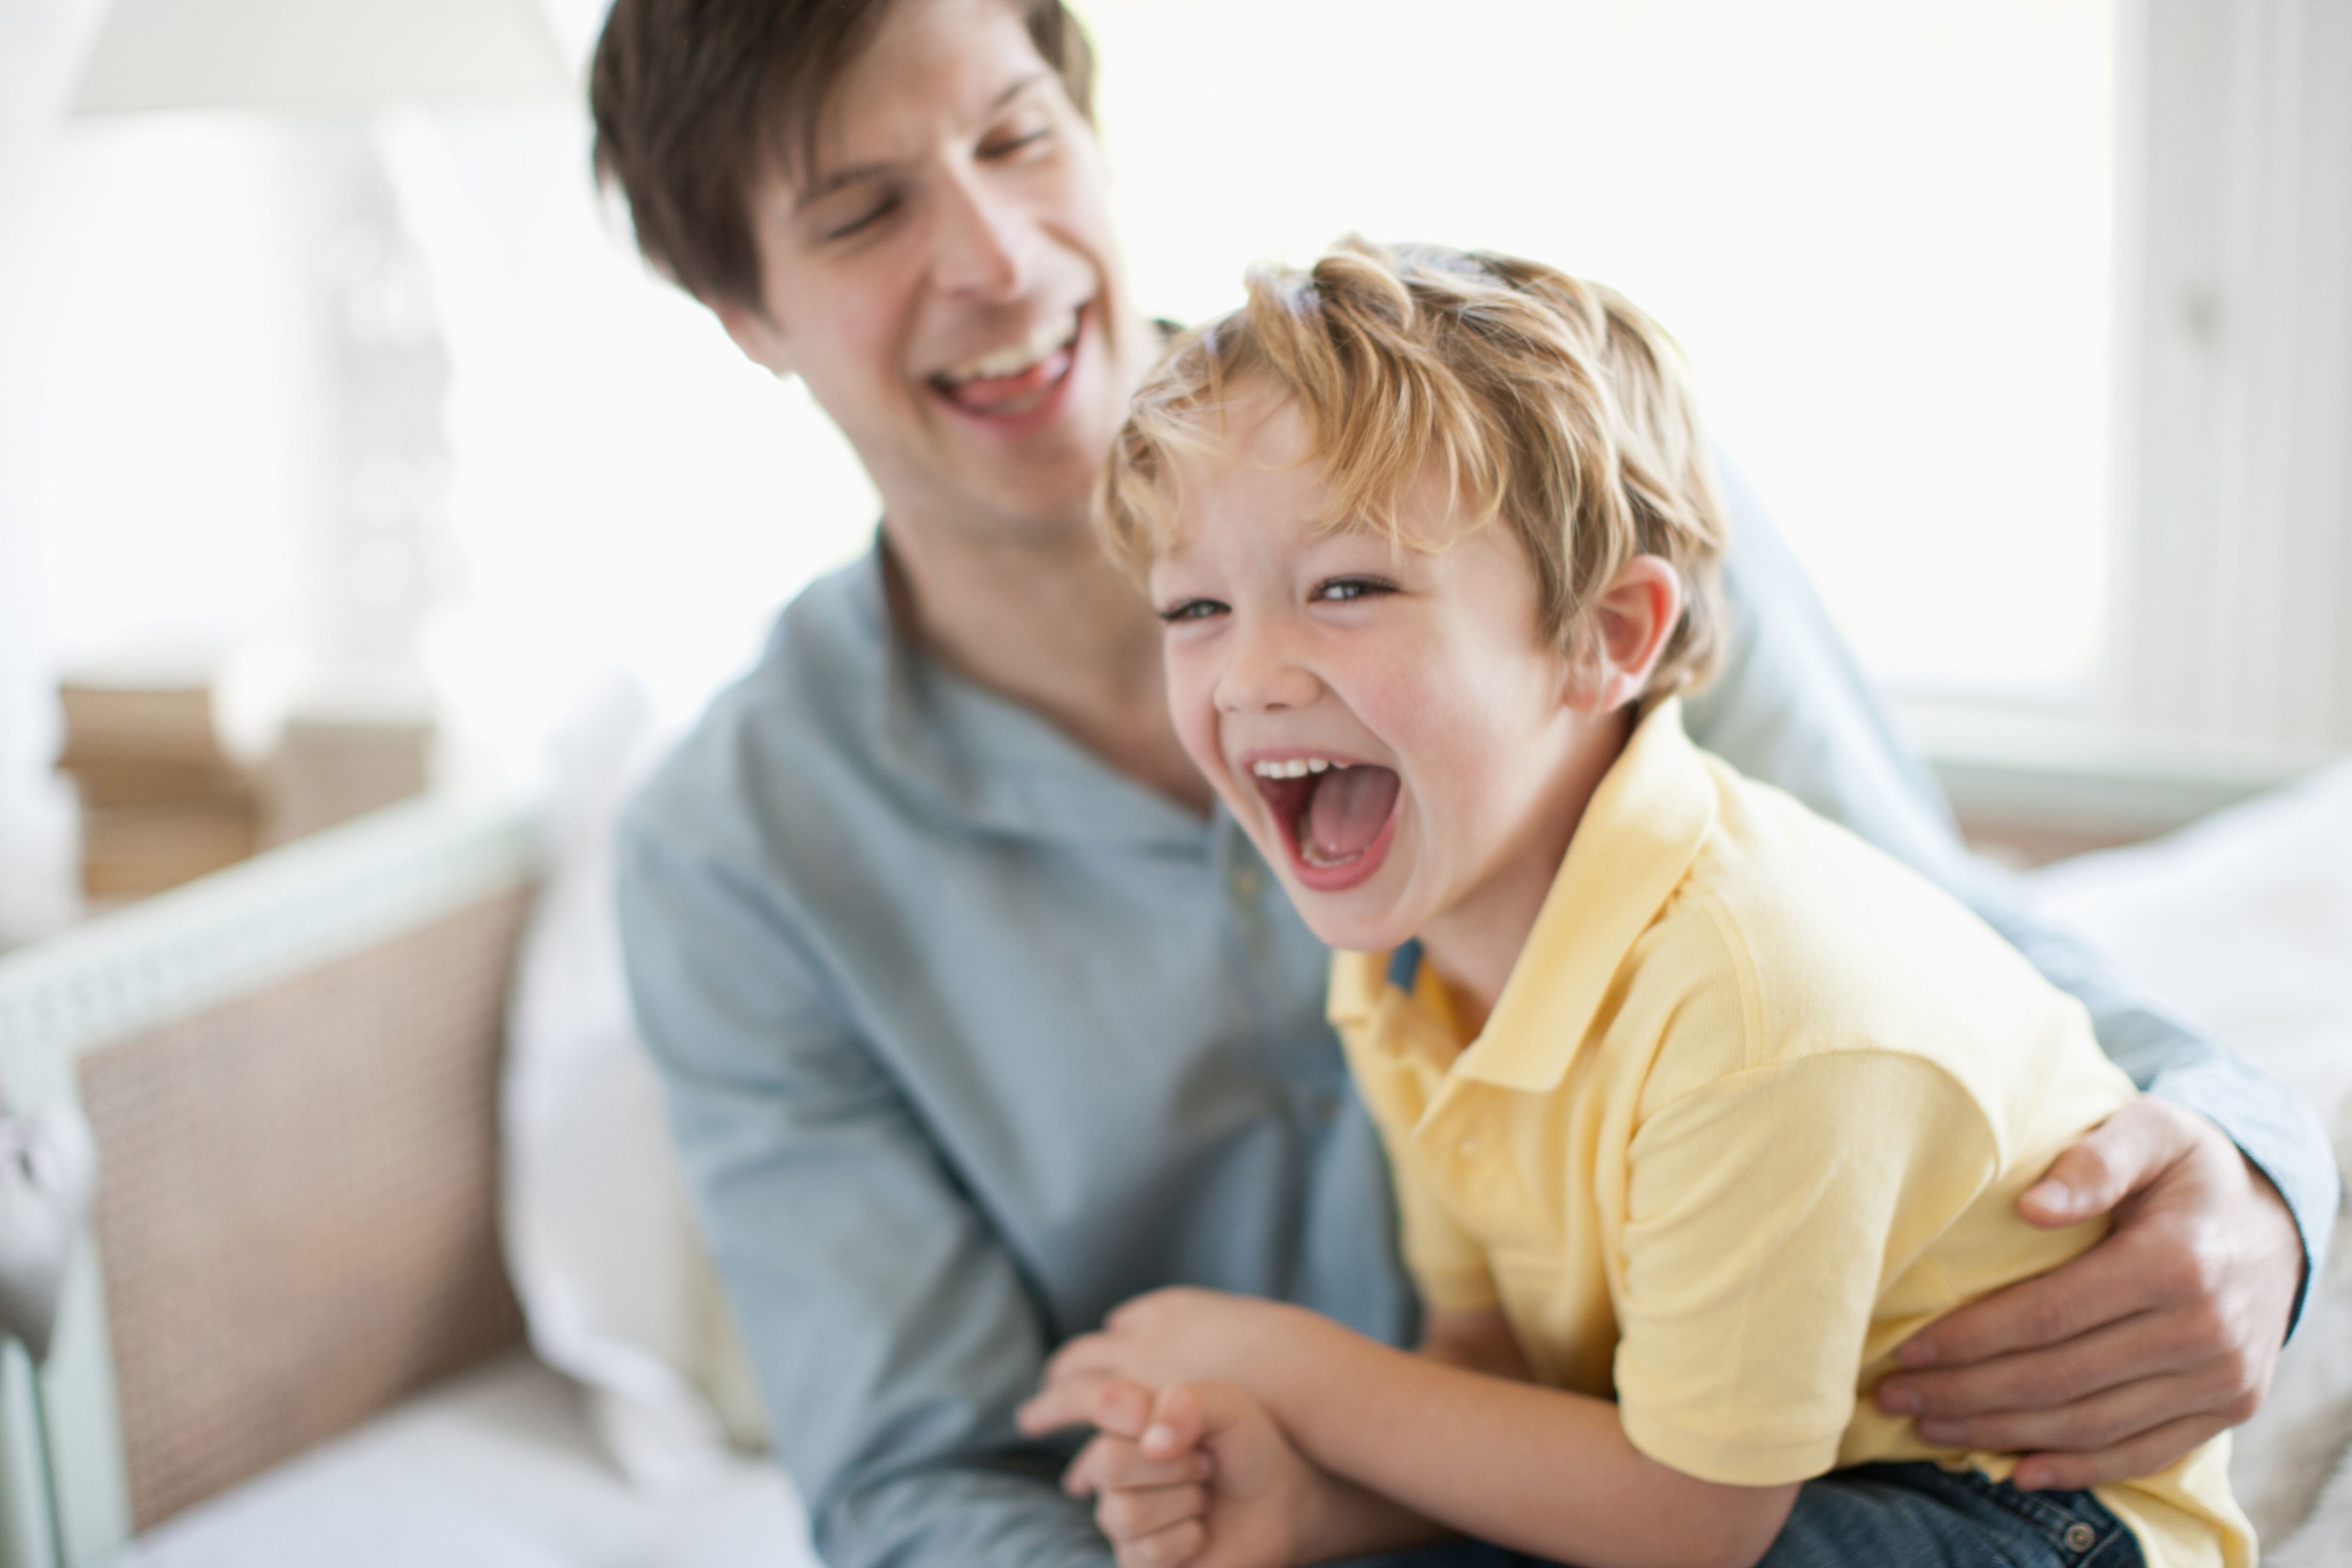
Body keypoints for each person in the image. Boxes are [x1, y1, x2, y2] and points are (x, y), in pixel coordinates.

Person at [588, 3, 2332, 1565]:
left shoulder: (1565, 491)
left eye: (1017, 136)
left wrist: (2260, 1188)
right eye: (865, 211)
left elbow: (1949, 979)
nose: (997, 253)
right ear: (744, 310)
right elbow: (924, 1483)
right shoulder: (731, 858)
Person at [1017, 239, 2249, 1568]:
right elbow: (1497, 1383)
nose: (1250, 672)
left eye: (1349, 588)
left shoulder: (1759, 997)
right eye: (1194, 606)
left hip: (2028, 1511)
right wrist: (1318, 1507)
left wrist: (1289, 1367)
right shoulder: (1400, 972)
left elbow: (1689, 1524)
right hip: (1755, 1482)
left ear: (1606, 637)